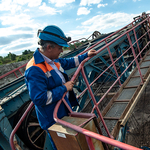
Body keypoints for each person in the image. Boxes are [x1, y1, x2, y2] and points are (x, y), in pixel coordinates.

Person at [24, 25, 97, 149]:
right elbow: (39, 99)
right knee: (63, 146)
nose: (61, 51)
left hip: (63, 110)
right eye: (60, 48)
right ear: (49, 47)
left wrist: (86, 55)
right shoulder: (34, 69)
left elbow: (67, 62)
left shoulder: (51, 60)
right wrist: (64, 88)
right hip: (53, 119)